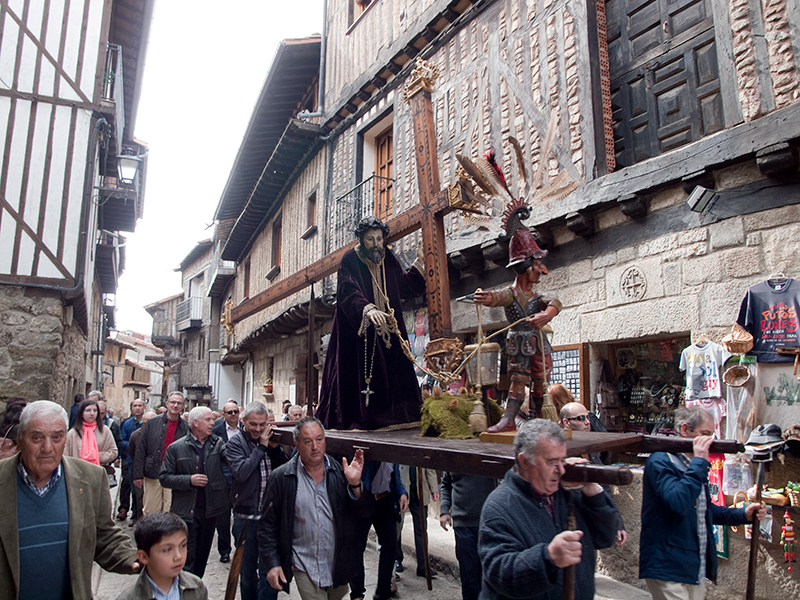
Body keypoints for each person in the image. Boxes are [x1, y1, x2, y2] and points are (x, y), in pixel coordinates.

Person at [0, 400, 139, 598]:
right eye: (37, 437)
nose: (47, 447)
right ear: (20, 439)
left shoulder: (90, 478)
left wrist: (136, 559)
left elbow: (103, 537)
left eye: (56, 437)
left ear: (65, 439)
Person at [479, 419, 617, 599]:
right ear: (525, 461)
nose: (561, 469)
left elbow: (605, 538)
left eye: (562, 460)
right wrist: (548, 557)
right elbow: (501, 574)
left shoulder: (569, 492)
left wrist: (592, 489)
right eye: (552, 462)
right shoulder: (499, 505)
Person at [640, 406, 766, 600]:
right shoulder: (661, 461)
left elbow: (703, 510)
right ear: (684, 430)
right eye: (705, 434)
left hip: (692, 564)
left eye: (712, 435)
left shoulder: (692, 466)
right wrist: (700, 462)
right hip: (667, 562)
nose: (711, 441)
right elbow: (679, 502)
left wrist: (743, 515)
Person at [317, 215, 426, 431]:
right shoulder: (350, 260)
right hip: (359, 332)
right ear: (361, 240)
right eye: (371, 240)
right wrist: (366, 309)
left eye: (379, 239)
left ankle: (397, 417)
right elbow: (347, 290)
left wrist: (420, 263)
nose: (376, 245)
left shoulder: (389, 259)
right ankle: (359, 418)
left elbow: (403, 285)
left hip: (390, 331)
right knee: (357, 376)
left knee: (396, 370)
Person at [258, 416, 369, 600]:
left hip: (337, 565)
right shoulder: (281, 478)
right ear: (297, 444)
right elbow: (266, 526)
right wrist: (272, 563)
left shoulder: (341, 473)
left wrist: (355, 485)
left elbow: (363, 513)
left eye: (319, 439)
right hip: (304, 564)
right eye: (308, 441)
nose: (315, 447)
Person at [474, 225, 561, 432]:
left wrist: (547, 314)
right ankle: (509, 419)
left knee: (541, 382)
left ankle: (541, 420)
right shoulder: (510, 294)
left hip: (538, 344)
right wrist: (485, 297)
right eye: (538, 264)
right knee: (517, 381)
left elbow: (555, 302)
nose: (543, 270)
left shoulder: (537, 298)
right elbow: (496, 297)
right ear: (527, 266)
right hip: (518, 344)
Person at [228, 402, 288, 600]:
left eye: (262, 425)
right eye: (253, 424)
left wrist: (274, 449)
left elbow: (284, 472)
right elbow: (242, 472)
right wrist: (261, 447)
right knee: (247, 574)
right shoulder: (236, 443)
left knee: (270, 570)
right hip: (246, 517)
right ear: (244, 421)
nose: (258, 429)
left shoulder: (269, 441)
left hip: (270, 517)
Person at [160, 406, 228, 578]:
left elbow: (232, 462)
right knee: (187, 558)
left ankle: (196, 589)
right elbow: (164, 477)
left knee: (201, 557)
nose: (213, 423)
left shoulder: (217, 444)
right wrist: (189, 480)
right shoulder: (176, 448)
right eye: (208, 420)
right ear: (195, 423)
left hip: (209, 511)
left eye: (213, 419)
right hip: (186, 511)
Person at [560, 401, 627, 546]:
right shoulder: (560, 449)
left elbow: (604, 488)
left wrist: (617, 522)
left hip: (589, 526)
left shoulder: (590, 449)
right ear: (567, 422)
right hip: (568, 526)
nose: (587, 422)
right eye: (581, 418)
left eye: (588, 417)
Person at [350, 460, 408, 600]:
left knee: (390, 545)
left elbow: (394, 473)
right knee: (356, 548)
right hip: (365, 499)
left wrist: (401, 492)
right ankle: (357, 593)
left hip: (385, 500)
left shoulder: (392, 448)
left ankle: (383, 592)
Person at [116, 512, 208, 600]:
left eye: (182, 545)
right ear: (143, 557)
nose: (178, 556)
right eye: (167, 550)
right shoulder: (129, 598)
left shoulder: (196, 586)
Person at [439, 472, 497, 600]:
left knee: (489, 575)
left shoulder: (488, 456)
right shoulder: (453, 457)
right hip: (463, 525)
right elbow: (445, 485)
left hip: (488, 523)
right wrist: (444, 510)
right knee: (469, 577)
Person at [133, 391, 190, 515]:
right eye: (173, 402)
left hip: (174, 474)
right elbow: (140, 449)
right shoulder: (152, 423)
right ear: (166, 403)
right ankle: (150, 534)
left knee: (171, 510)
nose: (175, 405)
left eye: (179, 403)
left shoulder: (186, 427)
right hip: (153, 472)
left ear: (183, 406)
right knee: (151, 510)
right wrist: (137, 474)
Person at [212, 399, 242, 563]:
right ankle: (224, 550)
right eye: (229, 412)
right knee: (222, 519)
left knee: (239, 517)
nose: (233, 415)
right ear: (224, 415)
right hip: (222, 479)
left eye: (235, 411)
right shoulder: (216, 430)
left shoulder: (244, 430)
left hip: (240, 480)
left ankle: (240, 546)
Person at [399, 465, 439, 577]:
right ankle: (397, 559)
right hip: (402, 491)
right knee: (398, 527)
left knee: (421, 529)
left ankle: (423, 565)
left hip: (420, 491)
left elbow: (429, 467)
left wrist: (434, 488)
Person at [65, 397, 118, 466]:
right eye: (88, 410)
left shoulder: (104, 430)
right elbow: (65, 454)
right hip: (77, 472)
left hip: (98, 471)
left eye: (95, 410)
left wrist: (95, 456)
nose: (92, 413)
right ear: (81, 413)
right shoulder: (73, 433)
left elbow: (113, 451)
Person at [119, 398, 146, 521]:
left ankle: (138, 512)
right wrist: (132, 445)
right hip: (130, 460)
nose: (137, 408)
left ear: (144, 407)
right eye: (135, 405)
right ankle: (127, 509)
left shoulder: (148, 422)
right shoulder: (127, 423)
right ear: (131, 408)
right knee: (129, 485)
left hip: (145, 462)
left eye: (140, 405)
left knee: (141, 490)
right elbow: (121, 440)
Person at [128, 409, 157, 525]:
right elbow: (133, 453)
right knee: (139, 497)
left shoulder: (159, 436)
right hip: (140, 471)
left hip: (154, 474)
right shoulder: (136, 435)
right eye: (145, 423)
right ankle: (139, 519)